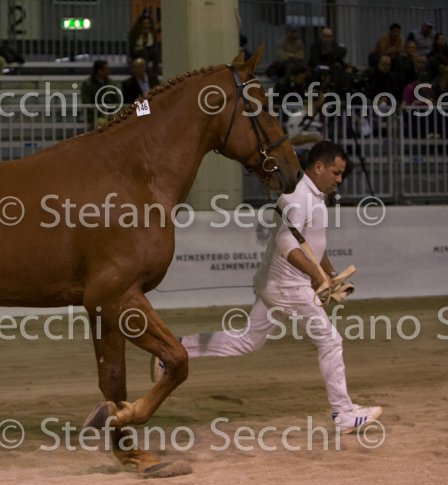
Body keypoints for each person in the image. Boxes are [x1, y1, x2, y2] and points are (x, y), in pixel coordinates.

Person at [151, 142, 383, 435]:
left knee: (248, 341)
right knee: (330, 341)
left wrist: (330, 273)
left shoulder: (315, 196)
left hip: (277, 284)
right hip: (288, 286)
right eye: (336, 173)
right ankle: (344, 414)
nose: (339, 179)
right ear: (318, 167)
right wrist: (315, 276)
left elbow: (311, 243)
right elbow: (287, 244)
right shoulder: (298, 197)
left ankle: (175, 349)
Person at [81, 59, 114, 127]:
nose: (109, 71)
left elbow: (116, 100)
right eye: (107, 69)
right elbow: (86, 102)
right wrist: (102, 113)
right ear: (99, 71)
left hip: (111, 113)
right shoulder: (88, 84)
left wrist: (113, 112)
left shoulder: (112, 83)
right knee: (102, 123)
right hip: (95, 116)